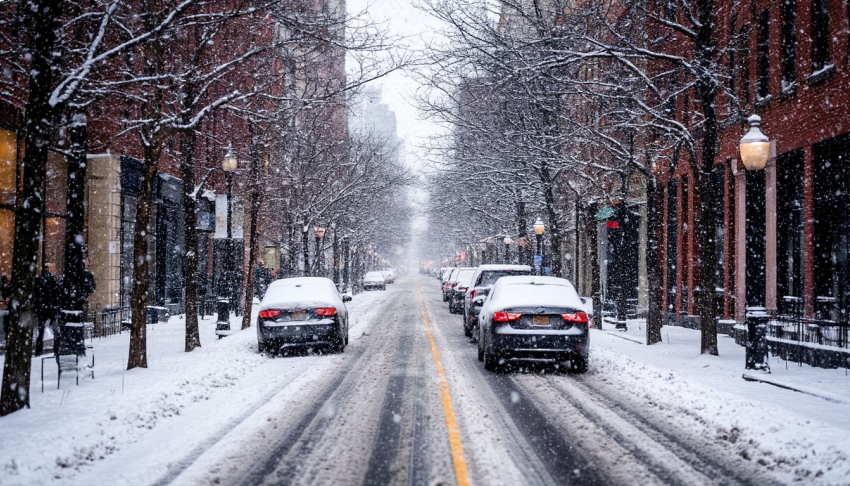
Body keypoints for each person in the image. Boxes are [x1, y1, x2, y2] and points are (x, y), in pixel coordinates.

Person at [34, 264, 61, 356]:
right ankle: (56, 348)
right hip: (50, 308)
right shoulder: (52, 280)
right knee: (55, 329)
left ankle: (39, 350)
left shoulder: (38, 280)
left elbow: (36, 294)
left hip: (42, 308)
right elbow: (57, 293)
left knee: (41, 330)